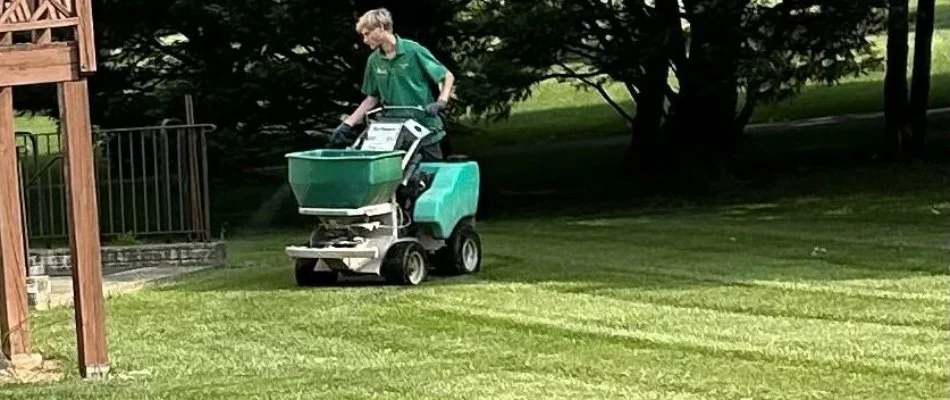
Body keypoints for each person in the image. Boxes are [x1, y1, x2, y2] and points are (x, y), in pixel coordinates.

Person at [332, 8, 455, 162]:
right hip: (392, 130)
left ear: (381, 28)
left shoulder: (413, 50)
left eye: (367, 34)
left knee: (430, 173)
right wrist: (347, 124)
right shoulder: (374, 60)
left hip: (423, 126)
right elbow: (372, 97)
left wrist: (441, 102)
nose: (365, 40)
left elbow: (446, 76)